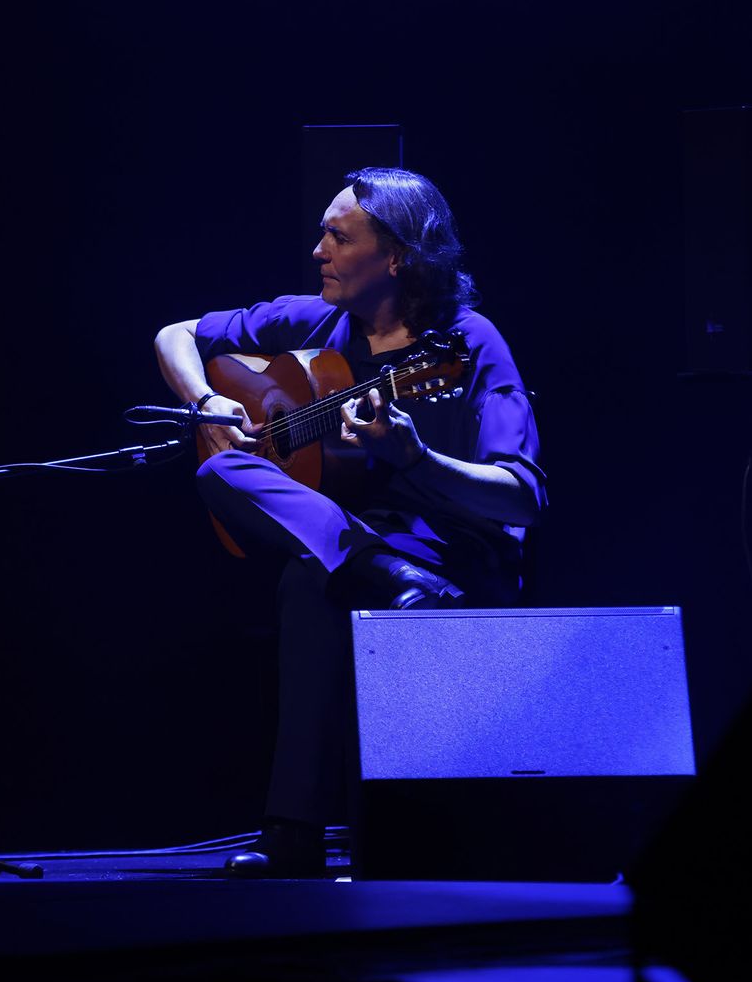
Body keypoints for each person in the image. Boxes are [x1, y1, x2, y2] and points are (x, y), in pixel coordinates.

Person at [154, 167, 547, 876]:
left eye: (337, 235)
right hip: (373, 559)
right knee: (220, 468)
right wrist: (207, 400)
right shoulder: (316, 322)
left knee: (310, 583)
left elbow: (521, 495)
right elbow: (175, 332)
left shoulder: (467, 342)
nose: (318, 251)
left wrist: (418, 459)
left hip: (449, 560)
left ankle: (293, 830)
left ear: (396, 255)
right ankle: (296, 832)